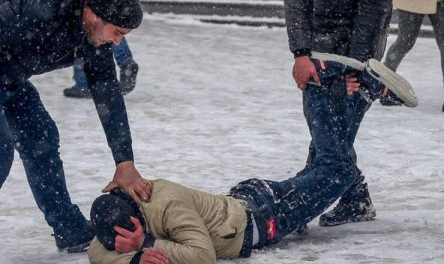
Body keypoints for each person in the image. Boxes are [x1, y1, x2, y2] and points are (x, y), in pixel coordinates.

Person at [86, 55, 416, 264]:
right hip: (246, 200)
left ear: (135, 222)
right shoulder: (122, 215)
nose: (119, 246)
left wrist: (145, 243)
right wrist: (134, 258)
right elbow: (97, 253)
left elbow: (201, 256)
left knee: (338, 170)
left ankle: (344, 89)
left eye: (122, 239)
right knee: (319, 172)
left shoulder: (167, 205)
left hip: (265, 215)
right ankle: (354, 90)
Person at [0, 0, 151, 252]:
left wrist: (124, 162)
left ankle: (70, 230)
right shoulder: (36, 7)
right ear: (95, 15)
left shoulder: (93, 37)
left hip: (10, 74)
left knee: (40, 137)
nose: (117, 43)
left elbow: (108, 95)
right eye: (117, 32)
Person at [284, 0, 396, 228]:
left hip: (361, 40)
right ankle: (350, 198)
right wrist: (301, 52)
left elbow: (374, 1)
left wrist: (359, 66)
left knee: (336, 131)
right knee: (324, 129)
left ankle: (301, 202)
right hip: (316, 40)